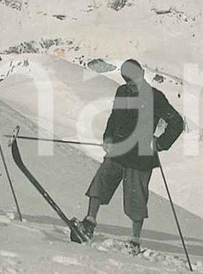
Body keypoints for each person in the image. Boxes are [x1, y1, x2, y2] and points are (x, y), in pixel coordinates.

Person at [77, 59, 184, 253]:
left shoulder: (155, 97)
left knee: (136, 199)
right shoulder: (122, 92)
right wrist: (108, 137)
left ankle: (134, 240)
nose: (133, 86)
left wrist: (160, 143)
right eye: (129, 82)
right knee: (99, 184)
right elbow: (113, 117)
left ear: (142, 73)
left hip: (141, 157)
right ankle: (89, 222)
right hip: (118, 150)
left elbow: (177, 122)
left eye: (135, 80)